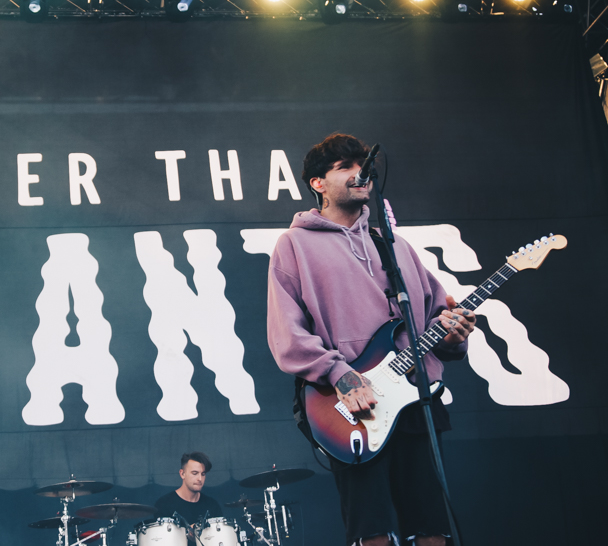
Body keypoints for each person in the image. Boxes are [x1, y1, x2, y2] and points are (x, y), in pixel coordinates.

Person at [266, 134, 476, 546]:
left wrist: (453, 335)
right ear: (318, 183)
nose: (359, 172)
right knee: (372, 532)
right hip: (350, 406)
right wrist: (341, 375)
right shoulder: (294, 245)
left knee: (433, 528)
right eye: (344, 166)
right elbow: (286, 334)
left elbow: (435, 317)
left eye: (362, 164)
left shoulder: (394, 245)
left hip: (415, 398)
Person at [154, 451, 224, 534]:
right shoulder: (164, 504)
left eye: (203, 474)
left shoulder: (212, 505)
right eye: (195, 473)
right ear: (182, 474)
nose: (200, 479)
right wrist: (187, 534)